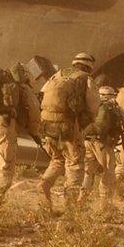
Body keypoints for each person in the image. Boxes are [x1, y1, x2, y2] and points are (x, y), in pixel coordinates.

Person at [38, 53, 100, 211]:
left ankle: (44, 184)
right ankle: (70, 207)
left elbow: (41, 94)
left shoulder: (56, 75)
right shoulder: (85, 78)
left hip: (48, 126)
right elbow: (94, 106)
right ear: (89, 66)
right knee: (74, 164)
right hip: (70, 127)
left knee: (57, 160)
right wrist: (87, 123)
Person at [0, 62, 42, 206]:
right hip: (3, 123)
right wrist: (35, 131)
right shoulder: (22, 87)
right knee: (7, 163)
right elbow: (34, 109)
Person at [80, 86, 124, 211]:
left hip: (88, 141)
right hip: (103, 144)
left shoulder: (90, 106)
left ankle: (82, 198)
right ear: (113, 96)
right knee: (108, 172)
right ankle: (104, 202)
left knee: (88, 171)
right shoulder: (115, 109)